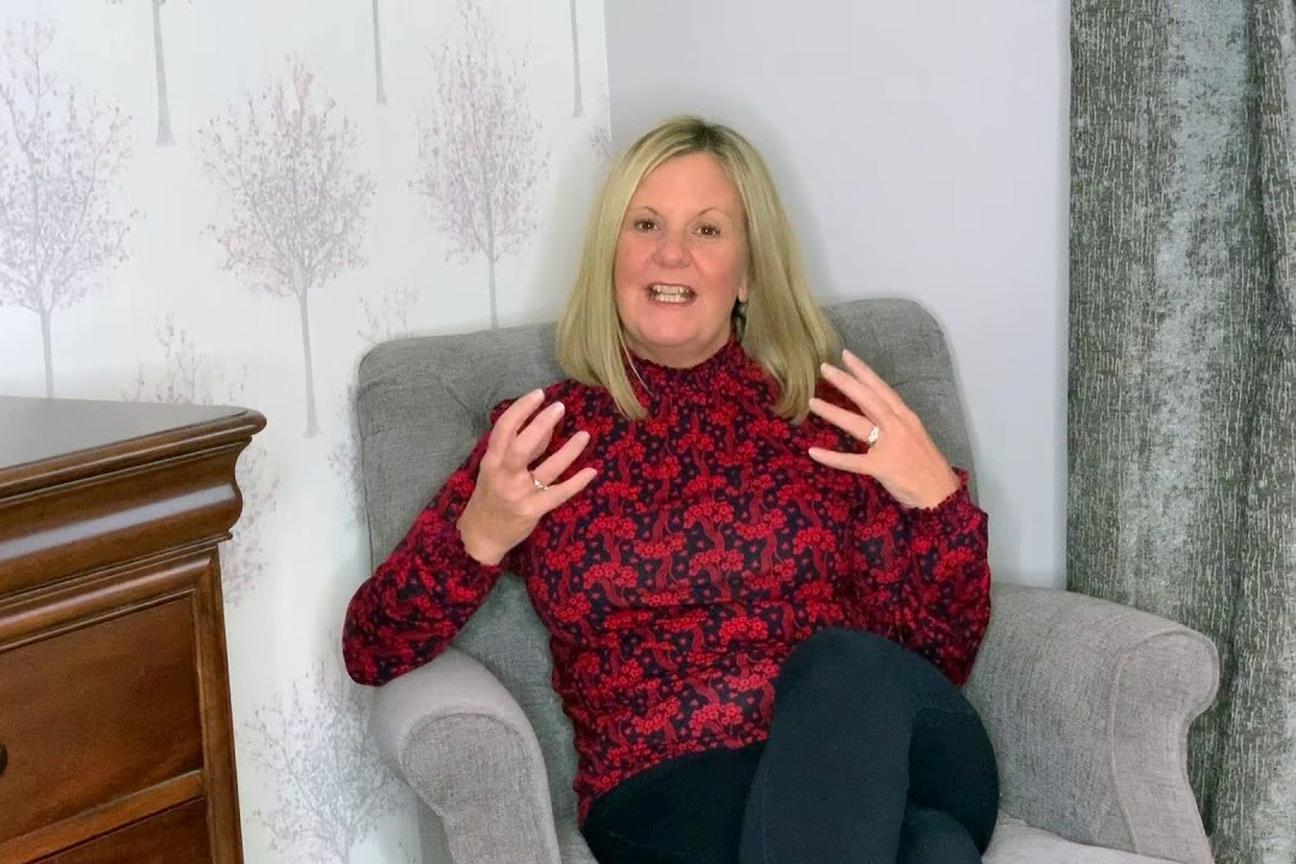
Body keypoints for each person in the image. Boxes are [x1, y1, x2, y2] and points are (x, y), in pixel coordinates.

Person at [343, 116, 997, 864]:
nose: (671, 252)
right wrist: (478, 536)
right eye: (645, 223)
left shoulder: (831, 418)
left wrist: (936, 504)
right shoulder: (543, 437)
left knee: (842, 664)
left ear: (748, 273)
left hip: (882, 755)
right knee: (933, 849)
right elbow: (371, 648)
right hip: (663, 798)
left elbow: (937, 656)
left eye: (708, 230)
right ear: (611, 255)